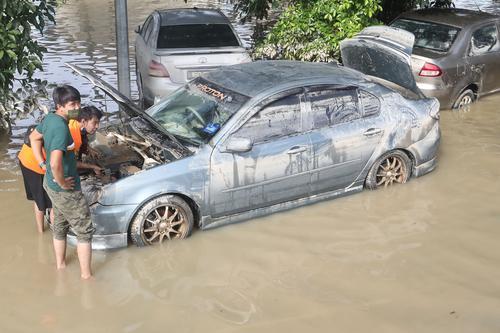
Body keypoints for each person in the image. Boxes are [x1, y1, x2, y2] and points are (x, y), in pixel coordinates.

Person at [30, 85, 95, 279]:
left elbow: (34, 138)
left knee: (59, 225)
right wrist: (63, 182)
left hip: (49, 184)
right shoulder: (60, 127)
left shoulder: (50, 118)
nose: (77, 107)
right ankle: (86, 276)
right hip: (65, 189)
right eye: (72, 104)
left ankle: (60, 266)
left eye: (78, 102)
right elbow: (56, 161)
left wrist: (42, 165)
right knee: (84, 230)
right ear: (60, 106)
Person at [18, 106, 104, 233]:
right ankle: (52, 233)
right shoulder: (70, 133)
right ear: (84, 121)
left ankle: (45, 234)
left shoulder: (73, 116)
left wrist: (88, 149)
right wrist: (93, 167)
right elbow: (69, 162)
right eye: (95, 123)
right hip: (34, 163)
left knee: (42, 200)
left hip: (30, 156)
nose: (97, 126)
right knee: (49, 203)